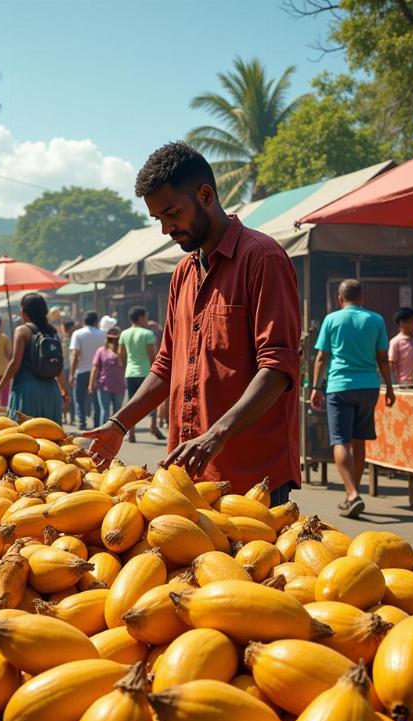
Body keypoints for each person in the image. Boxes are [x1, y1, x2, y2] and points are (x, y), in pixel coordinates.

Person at [84, 142, 301, 501]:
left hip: (252, 477)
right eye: (159, 219)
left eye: (173, 213)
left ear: (205, 195)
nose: (167, 229)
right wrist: (119, 423)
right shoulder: (183, 273)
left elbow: (278, 368)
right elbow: (166, 364)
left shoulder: (262, 259)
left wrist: (216, 434)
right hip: (188, 473)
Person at [311, 279, 395, 518]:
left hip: (340, 387)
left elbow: (321, 357)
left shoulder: (332, 319)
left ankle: (352, 494)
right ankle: (353, 493)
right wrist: (389, 387)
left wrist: (316, 387)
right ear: (363, 297)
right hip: (369, 386)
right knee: (359, 441)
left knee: (340, 441)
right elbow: (382, 358)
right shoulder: (376, 320)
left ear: (339, 298)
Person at [0, 293, 68, 421]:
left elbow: (15, 363)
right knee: (51, 439)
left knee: (24, 437)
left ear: (24, 312)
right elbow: (58, 364)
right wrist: (64, 389)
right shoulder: (52, 332)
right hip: (52, 392)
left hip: (27, 392)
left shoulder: (22, 331)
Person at [119, 306, 164, 442]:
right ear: (140, 318)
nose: (147, 320)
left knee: (132, 402)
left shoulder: (124, 333)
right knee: (153, 399)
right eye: (146, 317)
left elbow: (121, 356)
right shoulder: (147, 334)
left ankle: (131, 432)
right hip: (146, 372)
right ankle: (153, 426)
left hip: (130, 372)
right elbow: (152, 356)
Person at [69, 311, 105, 429]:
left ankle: (82, 422)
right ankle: (96, 423)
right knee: (96, 401)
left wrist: (71, 373)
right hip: (98, 372)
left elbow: (75, 355)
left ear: (84, 321)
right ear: (96, 321)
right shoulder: (102, 334)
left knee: (79, 399)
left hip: (81, 371)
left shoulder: (77, 334)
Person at [90, 327, 125, 427]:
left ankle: (115, 433)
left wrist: (118, 352)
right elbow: (95, 368)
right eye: (110, 339)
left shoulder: (122, 351)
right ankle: (103, 433)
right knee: (104, 411)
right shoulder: (101, 351)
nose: (113, 341)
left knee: (117, 412)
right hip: (103, 385)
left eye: (116, 339)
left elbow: (122, 364)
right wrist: (90, 385)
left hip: (119, 386)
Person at [389, 307, 413, 385]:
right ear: (402, 323)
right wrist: (396, 383)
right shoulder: (395, 342)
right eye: (412, 321)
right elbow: (392, 365)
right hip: (404, 385)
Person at [61, 320, 75, 424]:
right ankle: (68, 417)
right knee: (67, 394)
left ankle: (68, 417)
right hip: (67, 369)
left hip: (66, 368)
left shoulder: (63, 339)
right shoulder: (67, 339)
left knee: (67, 394)